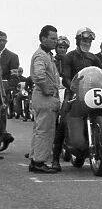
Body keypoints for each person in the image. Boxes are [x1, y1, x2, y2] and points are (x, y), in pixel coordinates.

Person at [60, 27, 102, 170]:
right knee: (63, 115)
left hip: (92, 93)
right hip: (75, 92)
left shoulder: (93, 57)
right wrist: (71, 86)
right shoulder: (70, 57)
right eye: (84, 40)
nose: (87, 42)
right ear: (78, 40)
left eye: (89, 41)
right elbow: (66, 77)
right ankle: (56, 157)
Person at [29, 25, 61, 173]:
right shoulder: (41, 56)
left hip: (42, 97)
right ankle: (39, 162)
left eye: (56, 38)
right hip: (44, 98)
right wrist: (46, 88)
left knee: (39, 130)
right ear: (43, 38)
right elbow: (39, 74)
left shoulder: (47, 55)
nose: (56, 41)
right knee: (45, 131)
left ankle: (35, 159)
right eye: (52, 38)